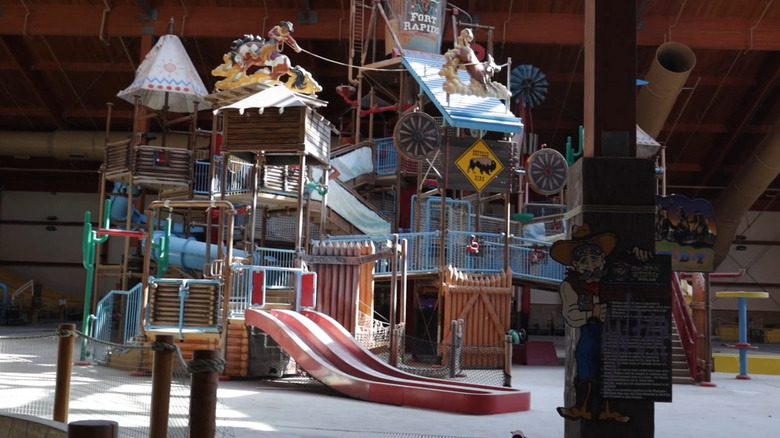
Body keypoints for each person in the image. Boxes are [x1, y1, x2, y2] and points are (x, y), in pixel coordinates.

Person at [549, 224, 628, 423]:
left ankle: (609, 409)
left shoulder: (615, 276)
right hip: (590, 330)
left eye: (594, 258)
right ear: (576, 265)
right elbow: (570, 314)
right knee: (584, 357)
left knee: (611, 364)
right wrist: (592, 313)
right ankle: (582, 407)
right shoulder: (570, 286)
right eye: (584, 261)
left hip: (615, 331)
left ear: (602, 258)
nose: (590, 265)